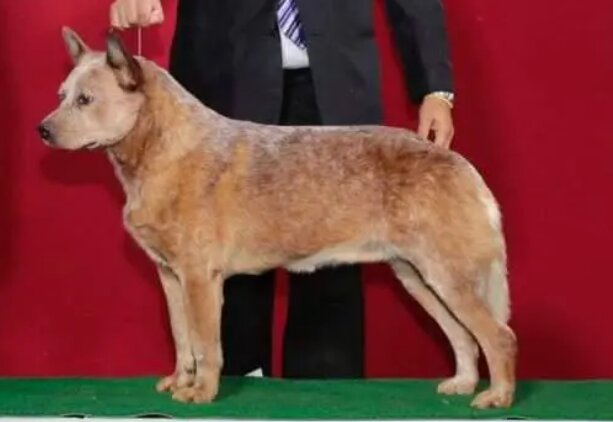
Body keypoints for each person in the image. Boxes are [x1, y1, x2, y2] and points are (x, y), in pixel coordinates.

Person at [110, 0, 455, 379]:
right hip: (223, 80)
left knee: (335, 264)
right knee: (218, 263)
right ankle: (231, 387)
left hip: (336, 84)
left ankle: (322, 397)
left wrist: (436, 89)